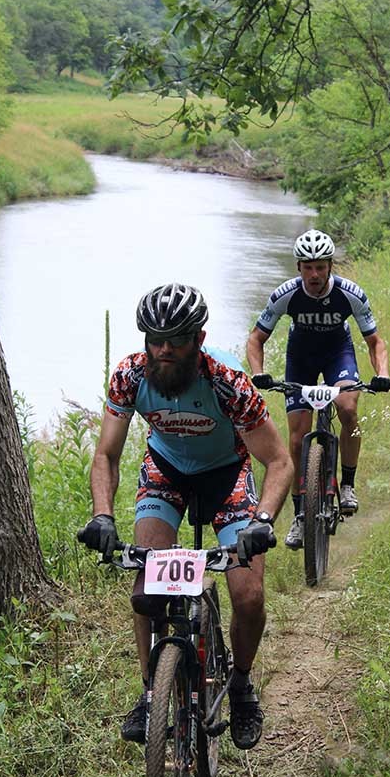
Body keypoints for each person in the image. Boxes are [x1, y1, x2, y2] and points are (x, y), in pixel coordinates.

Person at [80, 283, 293, 751]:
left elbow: (279, 461)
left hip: (226, 474)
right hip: (167, 470)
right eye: (154, 340)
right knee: (146, 591)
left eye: (176, 339)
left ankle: (240, 685)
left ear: (199, 338)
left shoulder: (227, 383)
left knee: (250, 595)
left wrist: (263, 520)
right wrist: (102, 515)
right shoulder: (130, 376)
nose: (163, 350)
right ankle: (151, 692)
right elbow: (107, 455)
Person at [246, 229, 390, 548]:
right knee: (297, 438)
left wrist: (382, 373)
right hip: (301, 358)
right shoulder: (285, 294)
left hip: (338, 353)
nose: (314, 274)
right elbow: (256, 339)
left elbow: (375, 341)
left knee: (349, 411)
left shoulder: (350, 293)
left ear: (330, 267)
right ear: (299, 267)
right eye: (308, 267)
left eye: (321, 267)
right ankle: (301, 515)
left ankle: (349, 482)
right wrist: (259, 374)